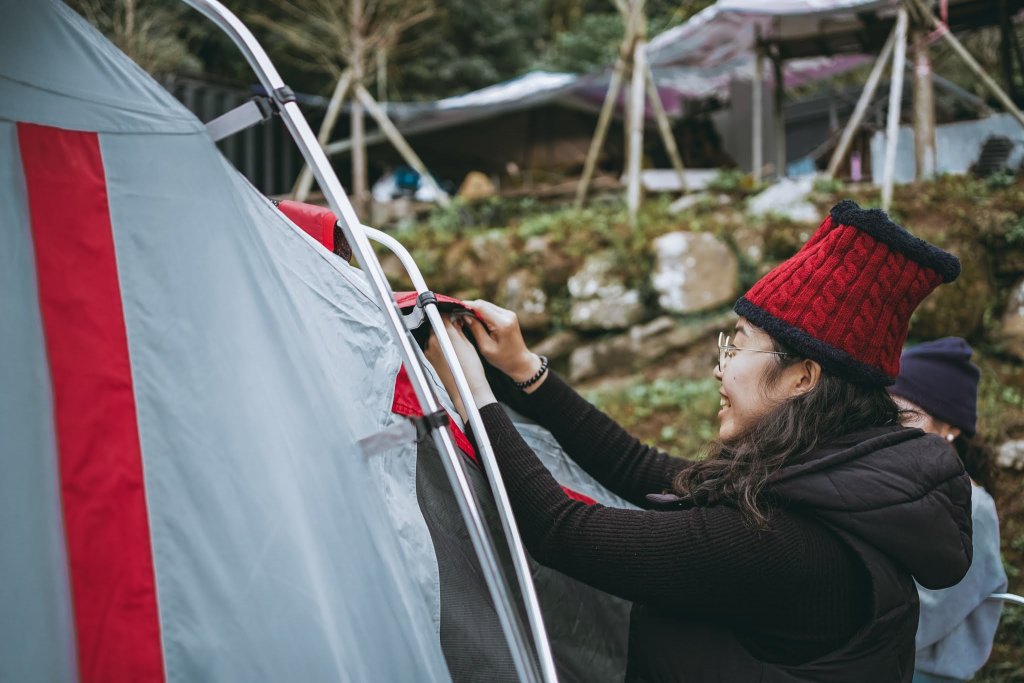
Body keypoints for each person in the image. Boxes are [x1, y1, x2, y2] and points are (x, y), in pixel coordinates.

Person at [425, 200, 974, 681]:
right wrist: (525, 370)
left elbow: (559, 531)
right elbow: (641, 467)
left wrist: (473, 396)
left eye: (737, 348)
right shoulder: (835, 482)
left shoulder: (784, 544)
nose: (721, 370)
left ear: (803, 378)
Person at [889, 338, 1008, 683]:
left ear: (950, 428)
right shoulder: (894, 486)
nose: (889, 429)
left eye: (906, 416)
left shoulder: (974, 509)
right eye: (885, 413)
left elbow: (925, 620)